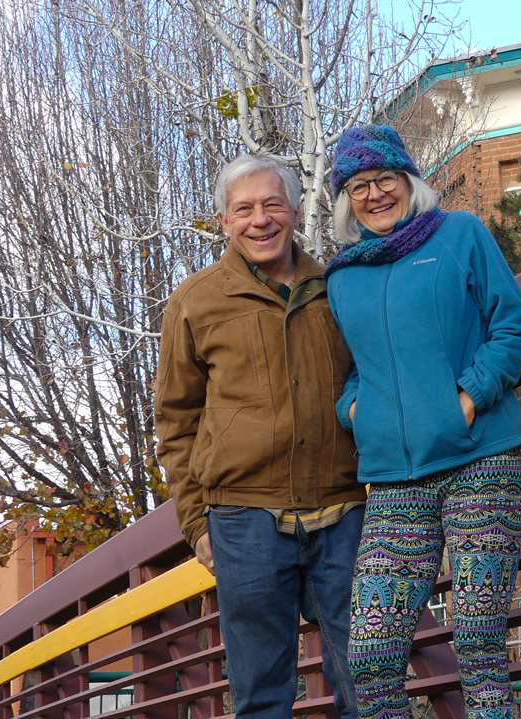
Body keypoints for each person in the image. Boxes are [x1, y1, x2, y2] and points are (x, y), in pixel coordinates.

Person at [325, 125, 521, 719]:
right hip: (396, 482)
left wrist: (466, 398)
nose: (375, 194)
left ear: (408, 181)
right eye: (359, 186)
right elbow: (352, 372)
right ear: (346, 200)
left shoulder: (461, 235)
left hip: (482, 462)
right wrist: (354, 411)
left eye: (385, 179)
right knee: (369, 652)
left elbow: (514, 330)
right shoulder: (342, 278)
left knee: (477, 640)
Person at [155, 153, 365, 719]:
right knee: (260, 693)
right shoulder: (195, 301)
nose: (260, 219)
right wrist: (196, 524)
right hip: (243, 521)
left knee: (368, 678)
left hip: (344, 511)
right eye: (243, 209)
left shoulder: (340, 286)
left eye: (273, 204)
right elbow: (176, 420)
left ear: (296, 211)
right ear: (224, 222)